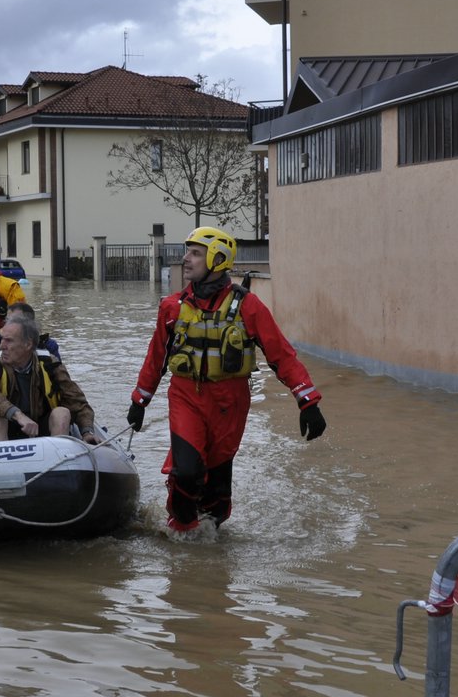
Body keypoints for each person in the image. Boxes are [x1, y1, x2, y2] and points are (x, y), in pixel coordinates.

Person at [127, 226, 326, 532]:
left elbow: (281, 355)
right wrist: (140, 401)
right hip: (186, 398)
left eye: (195, 253)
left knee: (217, 498)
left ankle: (209, 545)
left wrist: (307, 401)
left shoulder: (248, 306)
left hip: (229, 405)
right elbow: (156, 359)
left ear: (218, 259)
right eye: (187, 251)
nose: (186, 259)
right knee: (188, 471)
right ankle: (180, 533)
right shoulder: (172, 308)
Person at [0, 314, 101, 444]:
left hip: (40, 427)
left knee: (62, 413)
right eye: (2, 339)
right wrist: (18, 415)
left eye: (8, 341)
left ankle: (59, 456)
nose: (1, 346)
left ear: (27, 345)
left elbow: (76, 401)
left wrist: (87, 431)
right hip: (9, 425)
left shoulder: (50, 363)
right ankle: (1, 460)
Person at [0, 301, 60, 369]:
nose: (9, 324)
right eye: (7, 320)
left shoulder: (48, 345)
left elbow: (60, 378)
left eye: (15, 320)